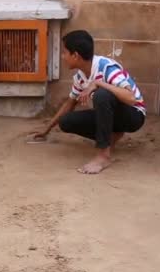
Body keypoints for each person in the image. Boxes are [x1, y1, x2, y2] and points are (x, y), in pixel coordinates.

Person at [33, 30, 146, 174]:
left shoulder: (107, 67)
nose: (63, 57)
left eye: (64, 53)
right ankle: (112, 135)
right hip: (114, 116)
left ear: (75, 55)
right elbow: (70, 103)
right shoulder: (80, 77)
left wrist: (98, 83)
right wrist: (47, 129)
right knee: (66, 121)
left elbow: (131, 98)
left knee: (101, 95)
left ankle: (103, 156)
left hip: (134, 115)